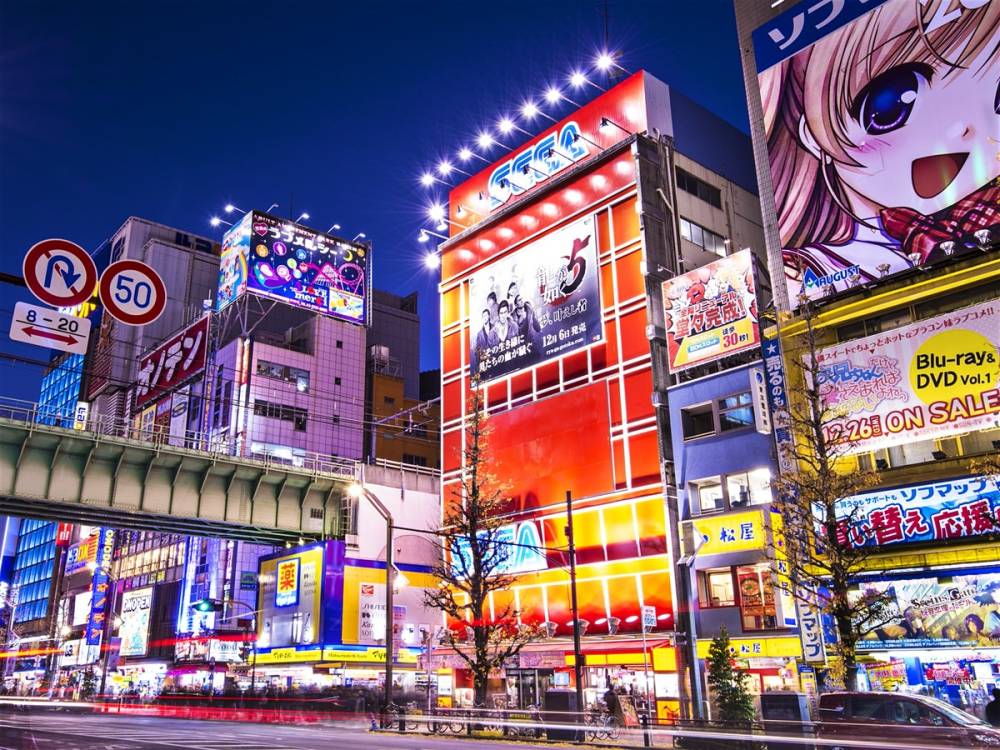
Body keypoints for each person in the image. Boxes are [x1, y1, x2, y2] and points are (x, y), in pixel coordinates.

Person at [758, 0, 999, 303]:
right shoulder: (809, 273)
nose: (962, 129)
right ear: (811, 134)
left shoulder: (983, 211)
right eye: (892, 104)